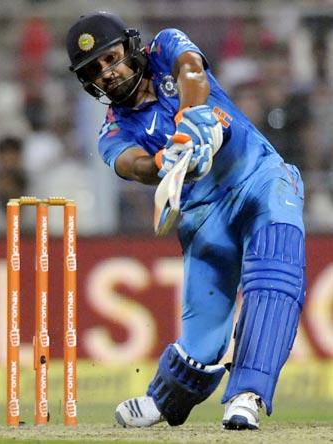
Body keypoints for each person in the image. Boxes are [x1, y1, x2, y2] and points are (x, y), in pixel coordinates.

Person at [65, 12, 305, 430]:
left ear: (131, 46)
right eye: (95, 71)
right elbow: (133, 165)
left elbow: (193, 72)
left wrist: (190, 122)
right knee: (202, 340)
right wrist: (164, 160)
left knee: (275, 270)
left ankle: (247, 394)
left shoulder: (165, 47)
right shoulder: (112, 131)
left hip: (258, 177)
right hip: (202, 214)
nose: (109, 73)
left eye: (112, 58)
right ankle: (165, 400)